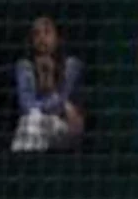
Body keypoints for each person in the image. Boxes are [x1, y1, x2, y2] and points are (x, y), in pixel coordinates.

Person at [12, 15, 84, 154]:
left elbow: (63, 100)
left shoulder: (72, 65)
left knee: (31, 122)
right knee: (32, 122)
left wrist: (50, 84)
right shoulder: (24, 66)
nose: (42, 39)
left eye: (47, 32)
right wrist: (60, 104)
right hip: (36, 124)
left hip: (66, 127)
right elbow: (26, 105)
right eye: (36, 34)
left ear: (57, 37)